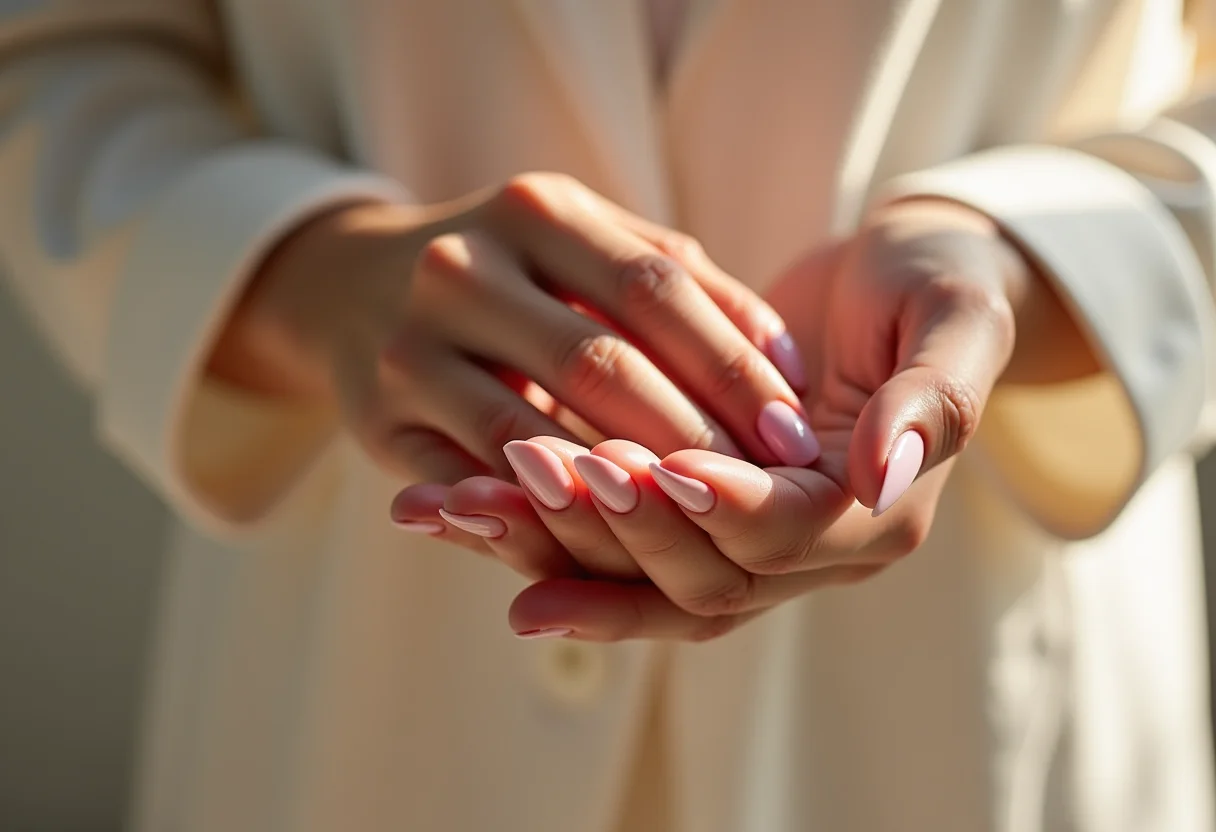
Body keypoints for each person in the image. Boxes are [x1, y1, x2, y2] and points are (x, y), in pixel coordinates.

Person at [2, 0, 1215, 829]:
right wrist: (316, 277)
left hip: (958, 697)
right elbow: (56, 50)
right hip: (367, 685)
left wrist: (1029, 265)